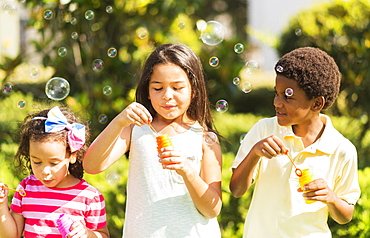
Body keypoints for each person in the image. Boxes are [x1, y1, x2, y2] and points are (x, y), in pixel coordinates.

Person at [83, 43, 222, 238]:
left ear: (194, 90)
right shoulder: (136, 129)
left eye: (177, 88)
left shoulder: (204, 137)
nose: (167, 96)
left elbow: (212, 209)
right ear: (147, 91)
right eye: (158, 88)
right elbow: (91, 165)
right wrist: (118, 122)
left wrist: (187, 170)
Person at [229, 47, 361, 237]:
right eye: (277, 93)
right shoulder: (264, 130)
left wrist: (331, 198)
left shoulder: (341, 149)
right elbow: (236, 189)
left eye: (288, 96)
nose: (277, 102)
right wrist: (255, 153)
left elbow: (345, 215)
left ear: (317, 104)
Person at [0, 106, 109, 238]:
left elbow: (103, 235)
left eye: (54, 163)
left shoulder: (89, 197)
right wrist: (2, 206)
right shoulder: (26, 188)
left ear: (72, 155)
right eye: (37, 162)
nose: (45, 171)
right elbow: (11, 235)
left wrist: (88, 234)